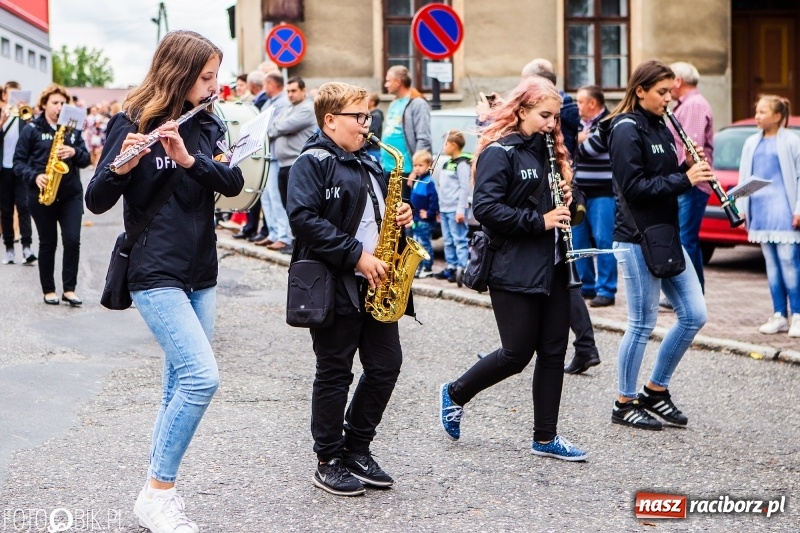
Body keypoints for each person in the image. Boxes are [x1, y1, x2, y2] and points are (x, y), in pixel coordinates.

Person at [84, 30, 244, 532]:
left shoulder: (208, 123)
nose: (214, 85)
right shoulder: (131, 120)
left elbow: (234, 183)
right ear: (179, 73)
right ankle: (159, 491)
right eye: (207, 76)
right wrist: (121, 166)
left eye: (216, 75)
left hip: (203, 269)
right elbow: (96, 200)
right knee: (202, 378)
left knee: (177, 384)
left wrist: (189, 161)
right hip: (154, 269)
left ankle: (152, 492)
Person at [438, 76, 588, 461]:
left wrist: (573, 201)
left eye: (555, 117)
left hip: (553, 265)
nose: (551, 124)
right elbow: (485, 210)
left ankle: (545, 437)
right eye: (544, 116)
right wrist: (539, 221)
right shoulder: (499, 152)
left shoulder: (550, 152)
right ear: (521, 111)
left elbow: (570, 206)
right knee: (516, 354)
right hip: (513, 266)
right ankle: (454, 392)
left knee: (554, 352)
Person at [286, 81, 414, 496]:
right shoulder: (313, 161)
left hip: (378, 282)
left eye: (368, 116)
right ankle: (327, 458)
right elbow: (303, 219)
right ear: (330, 120)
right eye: (358, 117)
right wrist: (356, 254)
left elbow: (374, 213)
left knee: (385, 366)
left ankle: (357, 446)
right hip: (334, 280)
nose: (366, 124)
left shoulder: (372, 161)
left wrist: (400, 215)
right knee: (335, 371)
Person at [605, 59, 713, 431]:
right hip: (636, 236)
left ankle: (655, 390)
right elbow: (633, 189)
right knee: (641, 323)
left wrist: (688, 168)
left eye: (671, 92)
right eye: (662, 93)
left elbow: (664, 176)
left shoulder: (661, 124)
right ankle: (624, 401)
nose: (669, 100)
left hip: (665, 234)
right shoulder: (624, 128)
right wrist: (685, 179)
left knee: (695, 314)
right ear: (640, 91)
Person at [13, 84, 89, 305]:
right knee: (48, 242)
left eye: (63, 103)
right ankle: (49, 290)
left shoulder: (72, 130)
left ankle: (69, 289)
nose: (59, 107)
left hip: (70, 194)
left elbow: (86, 159)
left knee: (73, 240)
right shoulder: (32, 130)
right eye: (55, 103)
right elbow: (18, 162)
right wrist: (35, 176)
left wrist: (74, 152)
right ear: (44, 104)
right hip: (42, 193)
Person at [737, 95, 800, 337]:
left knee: (789, 264)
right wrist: (741, 209)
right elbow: (745, 178)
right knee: (772, 266)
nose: (758, 116)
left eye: (763, 112)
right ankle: (779, 315)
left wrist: (798, 209)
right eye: (757, 111)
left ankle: (797, 315)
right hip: (761, 212)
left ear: (778, 116)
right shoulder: (751, 142)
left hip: (783, 212)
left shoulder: (792, 142)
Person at [665, 61, 714, 297]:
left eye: (668, 81)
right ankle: (691, 292)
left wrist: (680, 176)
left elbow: (691, 149)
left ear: (678, 81)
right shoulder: (685, 104)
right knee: (685, 238)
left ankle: (692, 293)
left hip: (691, 181)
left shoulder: (693, 105)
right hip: (686, 180)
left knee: (686, 240)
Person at [572, 85, 616, 307]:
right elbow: (567, 147)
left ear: (592, 103)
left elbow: (589, 149)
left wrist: (577, 139)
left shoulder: (609, 122)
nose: (576, 106)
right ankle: (585, 286)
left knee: (603, 240)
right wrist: (577, 138)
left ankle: (606, 290)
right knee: (578, 240)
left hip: (603, 192)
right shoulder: (578, 125)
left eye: (580, 101)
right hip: (578, 192)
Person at [254, 71, 292, 251]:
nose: (264, 88)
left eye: (265, 84)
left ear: (272, 84)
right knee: (267, 197)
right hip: (267, 155)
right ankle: (273, 233)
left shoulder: (284, 103)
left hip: (277, 156)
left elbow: (274, 128)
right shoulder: (269, 103)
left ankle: (284, 235)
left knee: (276, 198)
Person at [268, 76, 316, 213]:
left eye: (294, 91)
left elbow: (281, 127)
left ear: (303, 90)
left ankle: (297, 235)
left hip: (297, 163)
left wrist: (276, 128)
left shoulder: (307, 109)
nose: (290, 94)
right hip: (283, 165)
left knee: (299, 209)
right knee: (287, 207)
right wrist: (276, 128)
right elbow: (273, 127)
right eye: (288, 91)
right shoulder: (287, 109)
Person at [382, 65, 431, 197]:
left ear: (398, 82)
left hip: (405, 170)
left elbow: (424, 138)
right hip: (387, 168)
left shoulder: (418, 103)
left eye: (388, 80)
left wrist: (415, 170)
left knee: (402, 215)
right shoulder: (393, 103)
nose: (385, 84)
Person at [1, 81, 36, 265]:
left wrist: (27, 115)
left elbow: (34, 132)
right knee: (6, 210)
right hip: (3, 168)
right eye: (10, 94)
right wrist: (2, 121)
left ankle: (27, 247)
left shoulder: (25, 115)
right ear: (5, 96)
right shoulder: (2, 114)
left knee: (24, 207)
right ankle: (9, 249)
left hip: (21, 168)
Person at [433, 131, 471, 285]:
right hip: (445, 208)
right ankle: (451, 267)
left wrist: (461, 210)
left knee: (459, 239)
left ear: (454, 145)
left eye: (446, 144)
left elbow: (464, 188)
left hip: (456, 209)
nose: (443, 147)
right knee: (448, 240)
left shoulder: (462, 164)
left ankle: (462, 269)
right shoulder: (447, 163)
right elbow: (443, 187)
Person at [408, 149, 438, 278]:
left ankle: (427, 267)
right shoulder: (418, 180)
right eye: (415, 165)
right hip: (417, 220)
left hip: (425, 221)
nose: (417, 168)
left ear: (429, 166)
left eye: (421, 165)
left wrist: (429, 213)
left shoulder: (428, 182)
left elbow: (434, 201)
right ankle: (418, 267)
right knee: (417, 243)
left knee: (424, 243)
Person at [366, 92, 383, 162]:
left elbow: (372, 132)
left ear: (372, 102)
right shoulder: (372, 115)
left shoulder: (376, 116)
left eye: (367, 100)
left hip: (373, 149)